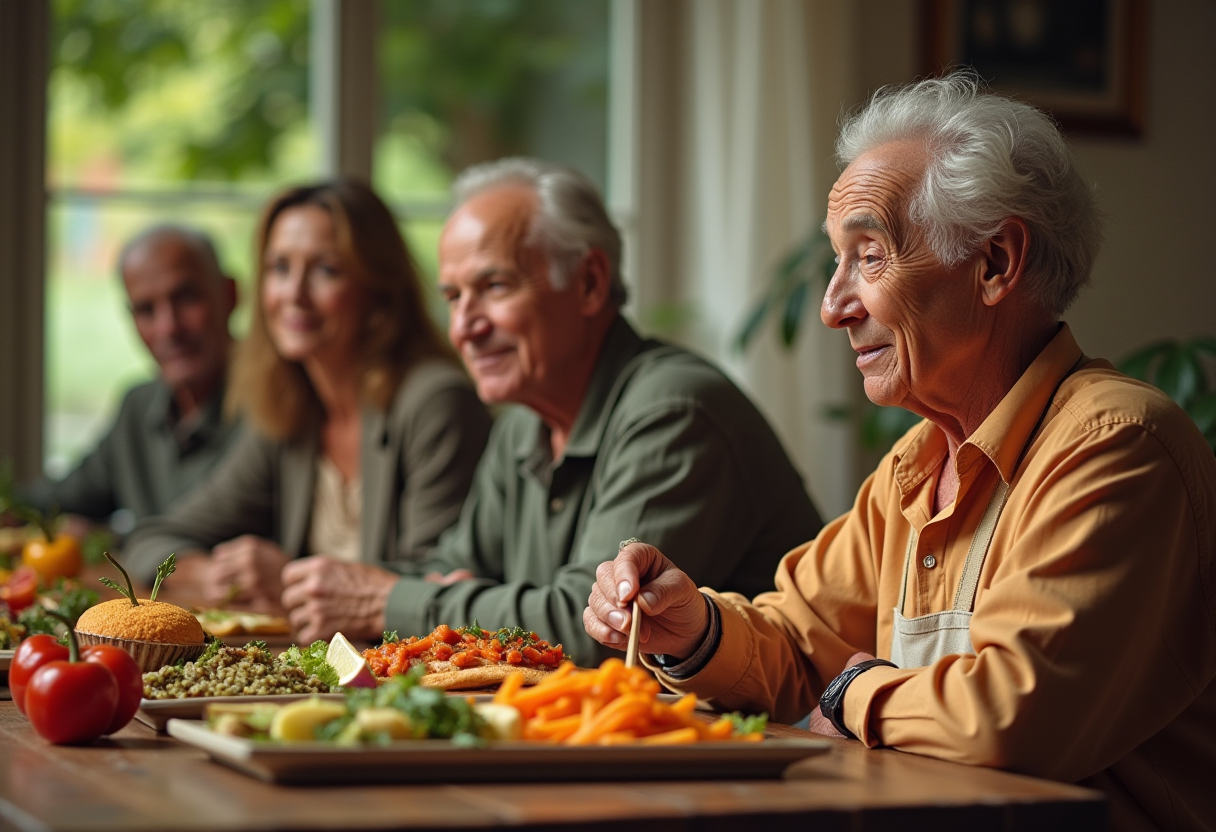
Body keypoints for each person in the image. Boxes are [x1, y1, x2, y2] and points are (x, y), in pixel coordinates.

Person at [585, 74, 1216, 832]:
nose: (831, 306)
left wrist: (851, 692)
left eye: (870, 255)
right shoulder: (918, 462)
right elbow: (801, 639)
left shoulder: (1116, 445)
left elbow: (1009, 718)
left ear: (995, 263)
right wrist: (693, 629)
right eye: (836, 260)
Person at [284, 157, 824, 662]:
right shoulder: (524, 421)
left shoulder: (674, 410)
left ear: (589, 282)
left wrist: (388, 601)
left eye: (494, 286)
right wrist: (358, 589)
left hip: (780, 725)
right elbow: (450, 570)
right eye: (453, 297)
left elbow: (598, 632)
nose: (464, 328)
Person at [123, 179, 493, 638]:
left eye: (325, 270)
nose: (294, 294)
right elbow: (152, 537)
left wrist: (288, 580)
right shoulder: (290, 406)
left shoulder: (434, 402)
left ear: (379, 290)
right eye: (279, 268)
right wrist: (213, 575)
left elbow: (435, 588)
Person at [22, 225, 239, 527]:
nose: (168, 327)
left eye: (186, 298)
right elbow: (54, 500)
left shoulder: (274, 409)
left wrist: (115, 539)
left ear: (230, 295)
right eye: (146, 310)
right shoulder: (139, 406)